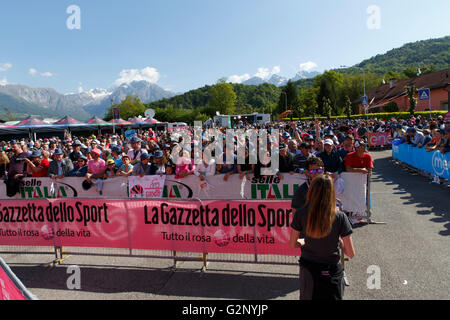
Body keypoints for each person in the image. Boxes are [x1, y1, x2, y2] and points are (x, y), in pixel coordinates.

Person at [289, 174, 355, 300]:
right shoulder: (340, 217)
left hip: (308, 270)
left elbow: (293, 244)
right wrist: (339, 242)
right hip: (331, 271)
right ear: (331, 192)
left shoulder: (300, 214)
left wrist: (305, 241)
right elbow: (351, 253)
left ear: (312, 190)